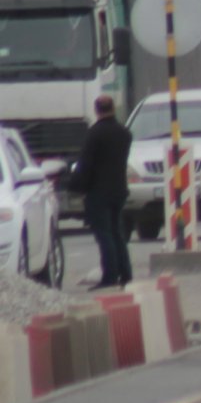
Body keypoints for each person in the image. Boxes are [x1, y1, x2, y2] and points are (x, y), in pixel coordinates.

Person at [63, 94, 134, 289]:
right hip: (119, 190)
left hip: (98, 192)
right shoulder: (124, 133)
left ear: (96, 111)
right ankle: (126, 274)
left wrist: (75, 186)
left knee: (104, 235)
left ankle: (110, 276)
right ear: (113, 109)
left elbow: (86, 164)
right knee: (117, 233)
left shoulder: (94, 134)